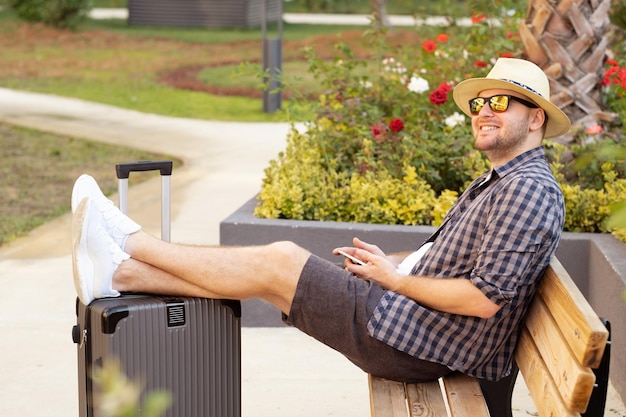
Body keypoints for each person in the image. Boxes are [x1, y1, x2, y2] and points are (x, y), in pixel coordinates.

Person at [71, 58, 571, 383]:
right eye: (481, 103)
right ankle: (119, 274)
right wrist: (394, 263)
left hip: (415, 344)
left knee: (280, 261)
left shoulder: (527, 188)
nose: (484, 111)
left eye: (500, 102)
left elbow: (484, 298)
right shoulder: (506, 179)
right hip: (411, 323)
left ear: (535, 118)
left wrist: (394, 280)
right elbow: (455, 265)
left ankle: (131, 241)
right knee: (268, 278)